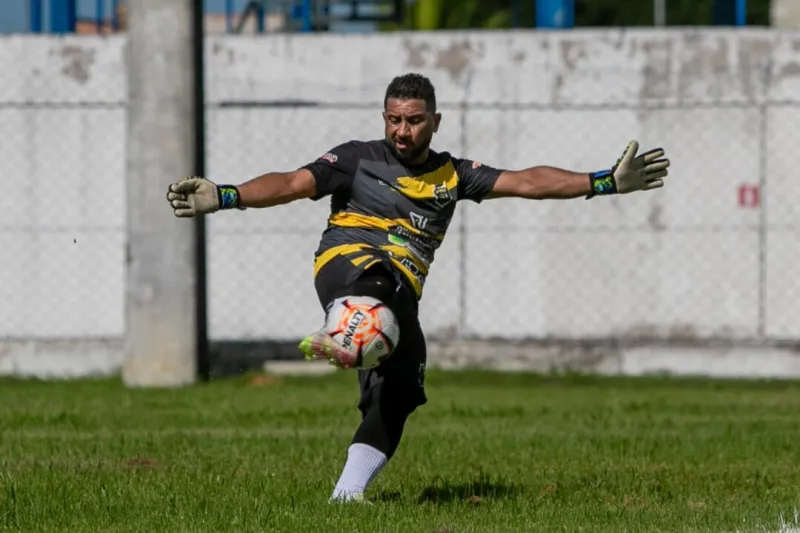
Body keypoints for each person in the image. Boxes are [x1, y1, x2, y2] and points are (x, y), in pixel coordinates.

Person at [166, 72, 670, 503]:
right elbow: (293, 184)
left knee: (400, 393)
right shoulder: (354, 158)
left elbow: (528, 181)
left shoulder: (453, 174)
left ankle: (346, 495)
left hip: (401, 295)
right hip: (346, 267)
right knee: (382, 275)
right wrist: (227, 195)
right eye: (393, 119)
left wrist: (603, 181)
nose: (402, 131)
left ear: (434, 122)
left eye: (413, 120)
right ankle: (342, 330)